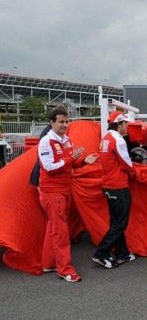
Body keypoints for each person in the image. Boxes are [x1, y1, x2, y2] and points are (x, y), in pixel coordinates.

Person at [38, 106, 98, 282]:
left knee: (54, 228)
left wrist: (83, 161)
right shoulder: (46, 142)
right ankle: (65, 269)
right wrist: (72, 159)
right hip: (52, 192)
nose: (65, 125)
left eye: (66, 121)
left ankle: (48, 263)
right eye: (61, 122)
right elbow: (49, 167)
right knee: (60, 232)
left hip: (64, 189)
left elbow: (70, 164)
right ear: (52, 123)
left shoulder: (66, 140)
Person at [92, 111, 136, 269]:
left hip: (108, 185)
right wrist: (135, 171)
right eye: (126, 123)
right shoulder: (118, 140)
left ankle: (122, 253)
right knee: (120, 224)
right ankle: (101, 253)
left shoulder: (105, 139)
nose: (128, 126)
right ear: (119, 124)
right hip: (118, 186)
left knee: (116, 222)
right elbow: (126, 163)